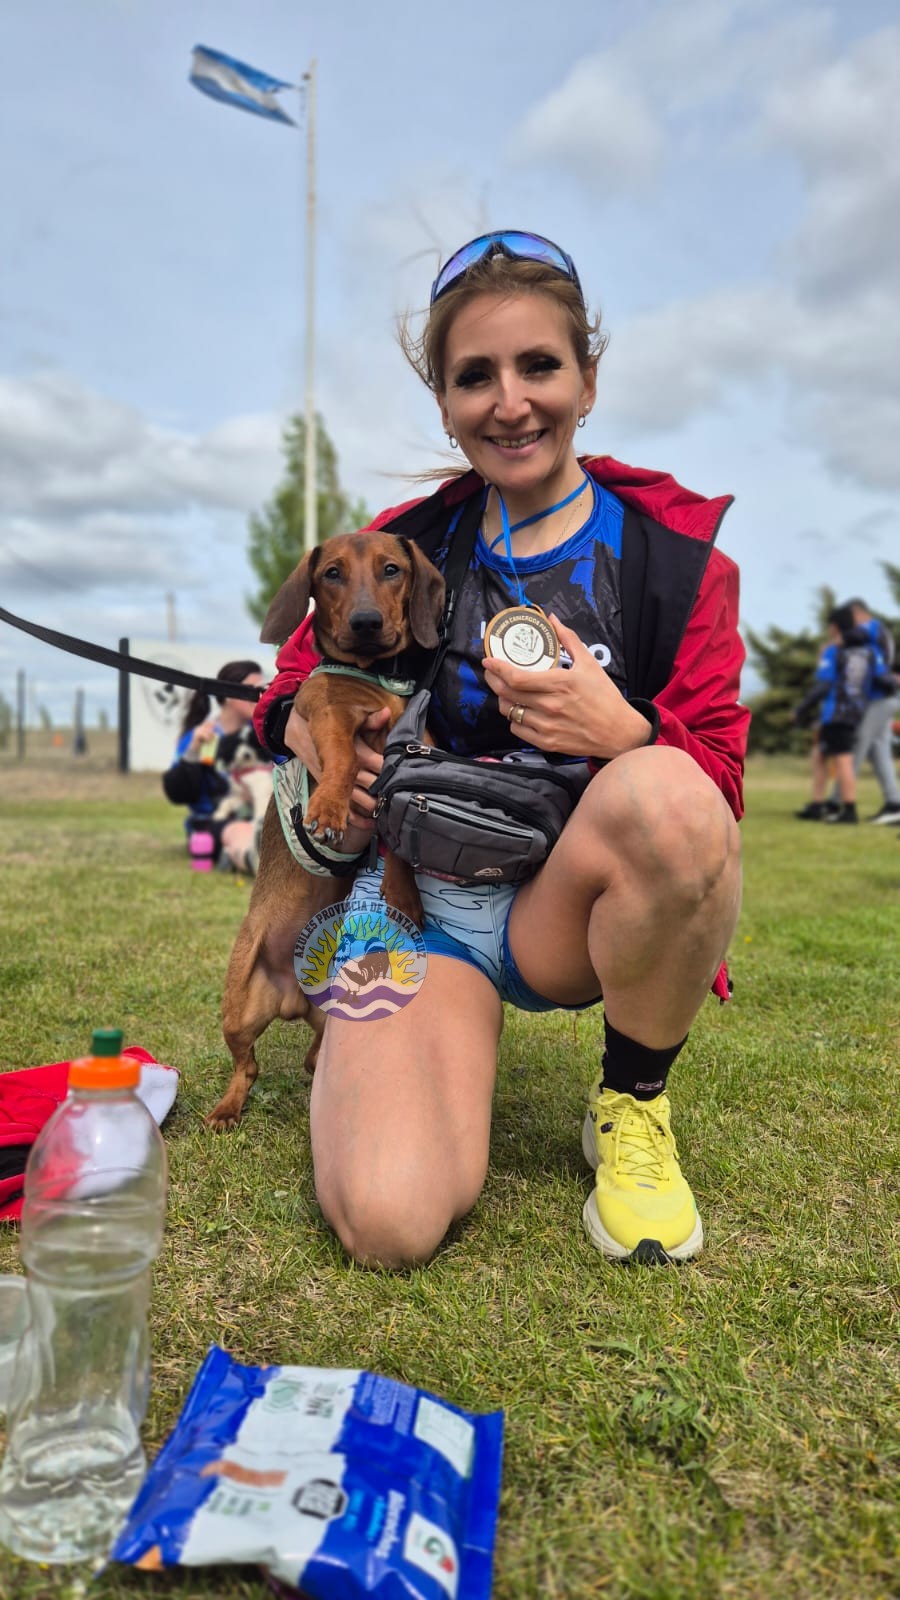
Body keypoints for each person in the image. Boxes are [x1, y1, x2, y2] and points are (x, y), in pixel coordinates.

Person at [254, 230, 748, 1269]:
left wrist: (630, 730)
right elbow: (289, 691)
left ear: (588, 380)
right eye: (475, 375)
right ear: (444, 401)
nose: (509, 401)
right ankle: (398, 1031)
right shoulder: (402, 544)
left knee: (672, 792)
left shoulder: (675, 562)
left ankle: (633, 1100)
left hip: (559, 910)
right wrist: (307, 721)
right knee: (387, 1219)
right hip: (416, 906)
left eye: (539, 366)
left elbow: (723, 787)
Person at [163, 660, 270, 872]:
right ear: (228, 695)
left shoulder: (264, 734)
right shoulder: (205, 737)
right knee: (241, 831)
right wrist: (193, 751)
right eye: (252, 690)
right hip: (214, 824)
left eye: (262, 689)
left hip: (263, 817)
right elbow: (180, 792)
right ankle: (250, 858)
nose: (260, 696)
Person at [793, 606, 891, 825]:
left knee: (843, 759)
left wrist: (801, 709)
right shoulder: (870, 651)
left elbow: (823, 685)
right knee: (820, 755)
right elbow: (884, 680)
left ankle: (849, 810)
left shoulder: (833, 651)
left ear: (835, 626)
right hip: (856, 712)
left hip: (835, 712)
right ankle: (817, 805)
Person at [844, 599, 899, 823]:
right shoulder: (878, 631)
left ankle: (840, 803)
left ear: (857, 614)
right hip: (882, 696)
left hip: (881, 698)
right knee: (879, 749)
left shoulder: (870, 629)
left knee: (859, 743)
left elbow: (876, 664)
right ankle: (894, 803)